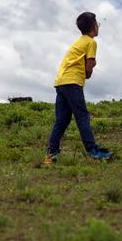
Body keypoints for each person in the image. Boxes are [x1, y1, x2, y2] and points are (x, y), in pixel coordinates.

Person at [45, 12, 113, 164]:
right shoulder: (91, 42)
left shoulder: (78, 41)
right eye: (98, 25)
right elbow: (89, 66)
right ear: (94, 27)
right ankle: (93, 150)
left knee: (61, 120)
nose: (98, 27)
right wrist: (90, 69)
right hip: (72, 82)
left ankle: (51, 154)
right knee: (82, 116)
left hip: (61, 81)